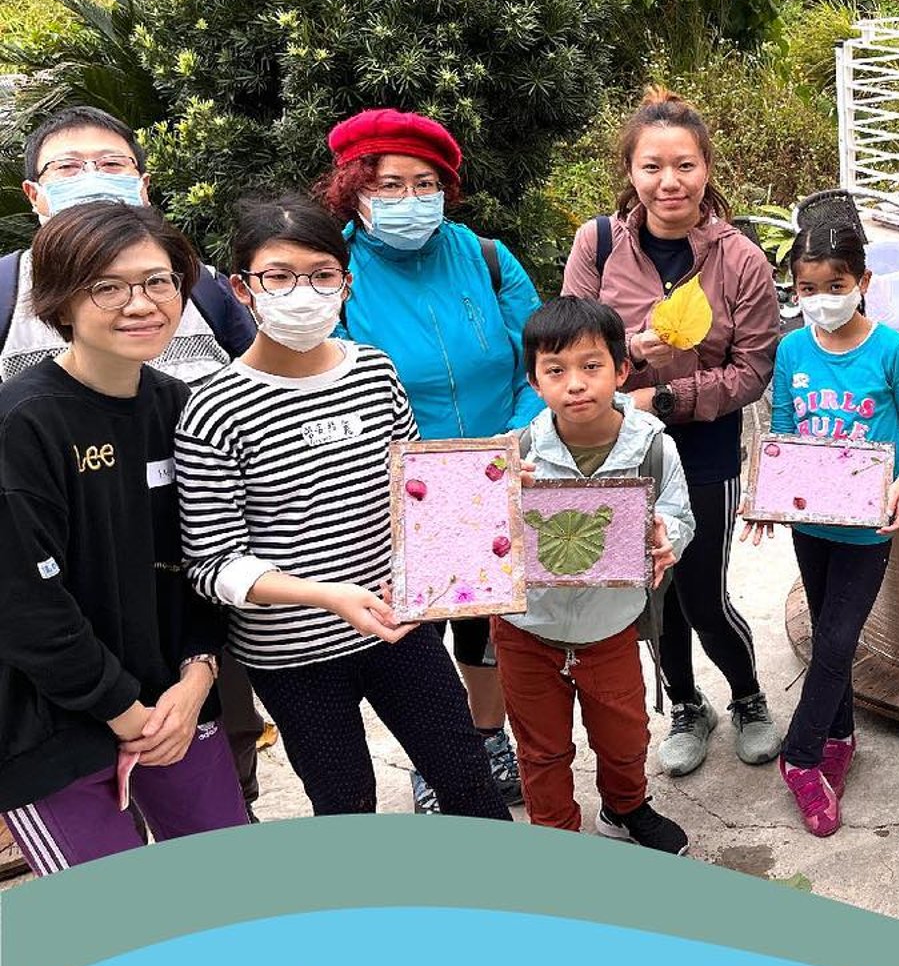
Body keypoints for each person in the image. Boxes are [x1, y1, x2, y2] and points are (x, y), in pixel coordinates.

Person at [174, 194, 511, 822]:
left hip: (400, 629)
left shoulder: (375, 373)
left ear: (345, 284)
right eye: (279, 276)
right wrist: (330, 596)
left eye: (322, 275)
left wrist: (430, 575)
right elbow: (212, 565)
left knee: (470, 783)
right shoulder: (213, 406)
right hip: (291, 655)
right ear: (243, 288)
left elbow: (418, 497)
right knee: (343, 800)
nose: (303, 292)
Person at [5, 107, 267, 812]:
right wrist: (126, 712)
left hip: (179, 704)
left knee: (229, 902)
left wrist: (198, 676)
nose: (140, 304)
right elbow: (23, 602)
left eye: (157, 283)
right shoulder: (22, 421)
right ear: (62, 297)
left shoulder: (176, 406)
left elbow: (207, 547)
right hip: (55, 728)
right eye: (108, 287)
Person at [317, 108, 539, 815]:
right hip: (395, 493)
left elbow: (539, 361)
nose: (410, 200)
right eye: (389, 185)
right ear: (354, 189)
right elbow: (326, 384)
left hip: (500, 473)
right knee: (416, 640)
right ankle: (434, 758)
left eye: (425, 184)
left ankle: (487, 737)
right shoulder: (336, 273)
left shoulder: (485, 256)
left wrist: (517, 436)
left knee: (490, 626)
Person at [561, 91, 783, 775]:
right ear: (631, 171)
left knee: (702, 592)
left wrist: (670, 396)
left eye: (684, 165)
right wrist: (636, 351)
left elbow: (752, 369)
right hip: (619, 446)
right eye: (652, 166)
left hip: (704, 445)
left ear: (706, 168)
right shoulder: (597, 246)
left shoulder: (739, 258)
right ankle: (687, 706)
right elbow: (571, 345)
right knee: (650, 592)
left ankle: (747, 696)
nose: (669, 182)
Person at [743, 223, 899, 836]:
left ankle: (799, 757)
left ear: (863, 283)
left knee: (834, 642)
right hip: (812, 522)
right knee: (828, 629)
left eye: (836, 284)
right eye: (807, 287)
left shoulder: (893, 352)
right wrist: (766, 494)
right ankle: (839, 734)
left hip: (867, 525)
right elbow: (782, 428)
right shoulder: (793, 348)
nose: (822, 297)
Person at [495, 295, 695, 852]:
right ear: (535, 381)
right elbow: (479, 535)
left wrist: (666, 538)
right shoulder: (515, 455)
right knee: (540, 747)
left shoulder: (654, 447)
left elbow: (679, 515)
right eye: (555, 371)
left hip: (611, 626)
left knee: (625, 734)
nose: (575, 384)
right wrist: (503, 500)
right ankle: (556, 835)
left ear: (622, 370)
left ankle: (626, 806)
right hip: (525, 628)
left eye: (591, 366)